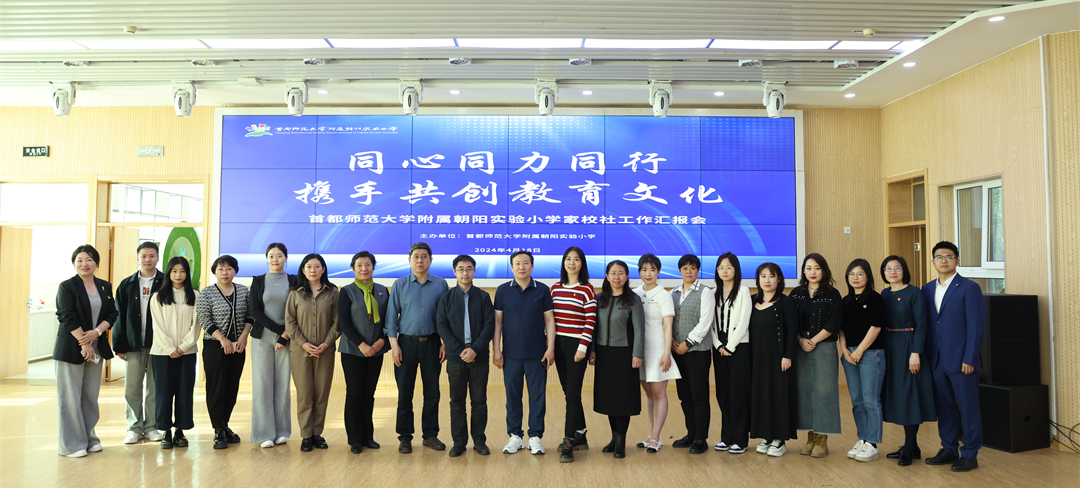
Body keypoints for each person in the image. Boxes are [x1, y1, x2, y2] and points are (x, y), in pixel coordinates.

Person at [922, 241, 985, 472]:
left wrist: (970, 357)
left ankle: (970, 454)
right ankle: (949, 449)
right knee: (944, 407)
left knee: (968, 408)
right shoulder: (927, 289)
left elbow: (976, 326)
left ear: (957, 260)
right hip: (936, 359)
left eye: (949, 256)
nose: (944, 260)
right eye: (939, 257)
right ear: (933, 262)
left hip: (962, 360)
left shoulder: (969, 288)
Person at [54, 244, 117, 458]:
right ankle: (71, 445)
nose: (84, 264)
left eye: (89, 259)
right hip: (72, 348)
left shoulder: (104, 286)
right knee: (70, 397)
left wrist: (96, 333)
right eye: (79, 260)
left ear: (97, 263)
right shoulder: (67, 286)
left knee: (90, 395)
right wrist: (84, 343)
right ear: (74, 264)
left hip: (96, 346)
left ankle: (89, 438)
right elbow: (66, 315)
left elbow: (112, 314)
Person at [385, 242, 449, 453]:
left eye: (424, 256)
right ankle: (404, 437)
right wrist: (394, 345)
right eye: (416, 256)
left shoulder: (441, 284)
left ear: (430, 260)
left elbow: (446, 317)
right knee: (405, 392)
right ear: (409, 260)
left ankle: (430, 435)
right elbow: (391, 317)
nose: (420, 260)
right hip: (406, 344)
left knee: (432, 392)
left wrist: (445, 343)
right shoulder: (400, 285)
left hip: (432, 344)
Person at [493, 250, 556, 455]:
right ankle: (515, 436)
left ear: (532, 266)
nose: (522, 267)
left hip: (538, 354)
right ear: (512, 267)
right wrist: (496, 349)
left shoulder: (543, 290)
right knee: (513, 396)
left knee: (537, 397)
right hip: (510, 354)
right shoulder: (502, 290)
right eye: (517, 263)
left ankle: (535, 436)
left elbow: (549, 321)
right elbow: (497, 322)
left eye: (526, 263)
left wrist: (550, 348)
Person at [436, 255, 496, 457]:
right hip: (456, 358)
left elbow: (489, 326)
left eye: (469, 269)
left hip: (479, 356)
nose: (465, 273)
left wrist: (475, 349)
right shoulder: (446, 298)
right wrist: (459, 350)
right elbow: (442, 326)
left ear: (474, 271)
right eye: (461, 269)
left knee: (479, 401)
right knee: (457, 401)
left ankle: (479, 441)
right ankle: (459, 442)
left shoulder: (484, 297)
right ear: (454, 272)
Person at [880, 255, 936, 466]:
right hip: (891, 345)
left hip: (909, 345)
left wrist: (916, 352)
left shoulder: (914, 292)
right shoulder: (885, 293)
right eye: (888, 268)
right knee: (899, 395)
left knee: (910, 394)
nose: (892, 272)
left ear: (904, 270)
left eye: (897, 268)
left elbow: (922, 324)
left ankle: (909, 447)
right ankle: (912, 446)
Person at [196, 255, 253, 450]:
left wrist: (244, 336)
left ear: (235, 271)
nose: (225, 272)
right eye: (220, 269)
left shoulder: (243, 291)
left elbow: (250, 316)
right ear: (215, 272)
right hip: (215, 347)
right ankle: (217, 430)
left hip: (238, 347)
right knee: (216, 388)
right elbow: (204, 319)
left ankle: (225, 423)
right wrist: (222, 339)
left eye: (229, 268)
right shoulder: (207, 293)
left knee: (231, 388)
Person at [789, 253, 843, 458]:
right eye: (809, 268)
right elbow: (790, 321)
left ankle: (822, 437)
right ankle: (810, 436)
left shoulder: (833, 294)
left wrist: (814, 340)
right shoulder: (796, 294)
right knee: (804, 390)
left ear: (824, 270)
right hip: (800, 346)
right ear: (803, 271)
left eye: (817, 268)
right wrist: (800, 340)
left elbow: (835, 321)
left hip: (824, 346)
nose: (813, 272)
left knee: (824, 391)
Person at [590, 260, 644, 459]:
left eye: (621, 273)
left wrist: (637, 354)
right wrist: (592, 350)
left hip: (625, 354)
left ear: (627, 276)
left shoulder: (633, 299)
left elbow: (639, 330)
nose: (617, 277)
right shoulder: (599, 299)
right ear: (607, 276)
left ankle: (621, 440)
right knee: (609, 399)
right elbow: (593, 327)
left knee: (623, 399)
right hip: (603, 354)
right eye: (613, 273)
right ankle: (614, 437)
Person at [286, 253, 340, 452]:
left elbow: (338, 322)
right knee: (304, 394)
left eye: (317, 266)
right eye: (308, 267)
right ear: (303, 270)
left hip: (326, 352)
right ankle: (306, 435)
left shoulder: (333, 292)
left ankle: (317, 433)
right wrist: (304, 344)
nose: (313, 270)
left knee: (321, 393)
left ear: (323, 269)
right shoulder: (295, 293)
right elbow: (290, 323)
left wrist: (326, 343)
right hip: (300, 352)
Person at [112, 241, 165, 445]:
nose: (147, 259)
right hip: (133, 345)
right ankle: (134, 428)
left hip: (158, 345)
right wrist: (119, 344)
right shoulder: (127, 284)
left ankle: (151, 427)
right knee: (132, 388)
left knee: (154, 388)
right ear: (138, 258)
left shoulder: (165, 282)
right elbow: (118, 315)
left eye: (152, 256)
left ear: (157, 258)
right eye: (144, 256)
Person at [338, 251, 390, 454]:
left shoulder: (382, 290)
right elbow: (344, 322)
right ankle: (354, 439)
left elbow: (389, 318)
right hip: (353, 350)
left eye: (367, 264)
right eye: (359, 265)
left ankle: (368, 436)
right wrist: (361, 344)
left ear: (373, 267)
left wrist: (381, 340)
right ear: (353, 268)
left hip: (376, 350)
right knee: (354, 394)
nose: (364, 269)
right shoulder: (347, 291)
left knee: (369, 394)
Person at [247, 243, 296, 448]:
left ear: (286, 258)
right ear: (267, 259)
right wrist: (279, 331)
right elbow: (255, 311)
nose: (275, 259)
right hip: (262, 338)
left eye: (279, 255)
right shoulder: (258, 281)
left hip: (288, 338)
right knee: (262, 385)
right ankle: (263, 433)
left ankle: (282, 431)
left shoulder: (294, 280)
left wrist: (285, 335)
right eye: (271, 256)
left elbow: (298, 309)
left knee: (283, 384)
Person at [550, 246, 596, 462]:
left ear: (582, 263)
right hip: (558, 345)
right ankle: (580, 435)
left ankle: (568, 441)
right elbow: (549, 320)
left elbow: (590, 321)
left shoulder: (587, 289)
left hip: (577, 346)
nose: (571, 263)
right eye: (568, 259)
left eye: (576, 259)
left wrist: (583, 348)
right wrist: (549, 346)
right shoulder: (554, 288)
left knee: (573, 393)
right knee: (569, 392)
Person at [148, 256, 200, 449]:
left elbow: (196, 326)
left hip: (187, 353)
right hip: (162, 353)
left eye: (182, 271)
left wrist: (183, 347)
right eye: (174, 271)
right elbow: (158, 327)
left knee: (184, 391)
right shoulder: (158, 297)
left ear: (187, 273)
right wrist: (170, 348)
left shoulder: (195, 295)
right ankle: (166, 431)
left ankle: (180, 431)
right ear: (168, 273)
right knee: (163, 393)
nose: (178, 275)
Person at [838, 258, 887, 462]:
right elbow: (840, 329)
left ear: (868, 276)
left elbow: (876, 327)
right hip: (849, 354)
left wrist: (859, 351)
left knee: (870, 400)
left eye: (860, 274)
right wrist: (845, 350)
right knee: (857, 401)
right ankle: (863, 439)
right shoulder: (846, 300)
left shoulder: (875, 298)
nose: (855, 278)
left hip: (870, 353)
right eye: (851, 274)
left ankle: (873, 443)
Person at [748, 262, 798, 457]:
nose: (767, 280)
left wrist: (788, 355)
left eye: (771, 276)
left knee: (779, 396)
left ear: (779, 279)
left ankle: (779, 439)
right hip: (757, 359)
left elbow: (792, 330)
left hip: (779, 359)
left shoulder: (785, 302)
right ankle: (766, 436)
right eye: (763, 276)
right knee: (761, 396)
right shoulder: (752, 300)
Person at [633, 253, 680, 453]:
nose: (648, 273)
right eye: (644, 269)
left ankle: (655, 437)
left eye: (652, 269)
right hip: (640, 351)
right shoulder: (635, 293)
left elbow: (668, 326)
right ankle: (654, 434)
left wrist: (666, 353)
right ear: (639, 272)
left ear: (658, 272)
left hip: (659, 350)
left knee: (659, 393)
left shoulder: (664, 295)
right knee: (649, 393)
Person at [669, 254, 715, 454]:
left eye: (692, 268)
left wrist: (687, 343)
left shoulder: (706, 292)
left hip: (697, 351)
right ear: (680, 270)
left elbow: (705, 322)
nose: (688, 271)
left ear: (698, 270)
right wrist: (671, 340)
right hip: (677, 351)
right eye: (685, 268)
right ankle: (691, 434)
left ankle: (701, 438)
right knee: (685, 396)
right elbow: (669, 319)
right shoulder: (673, 293)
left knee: (699, 396)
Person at [711, 252, 753, 454]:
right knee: (723, 393)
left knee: (738, 394)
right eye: (721, 267)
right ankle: (726, 437)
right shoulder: (713, 293)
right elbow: (710, 324)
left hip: (739, 347)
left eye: (728, 267)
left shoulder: (743, 291)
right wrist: (718, 344)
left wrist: (730, 346)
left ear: (736, 269)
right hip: (719, 348)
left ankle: (740, 439)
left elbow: (744, 322)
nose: (724, 271)